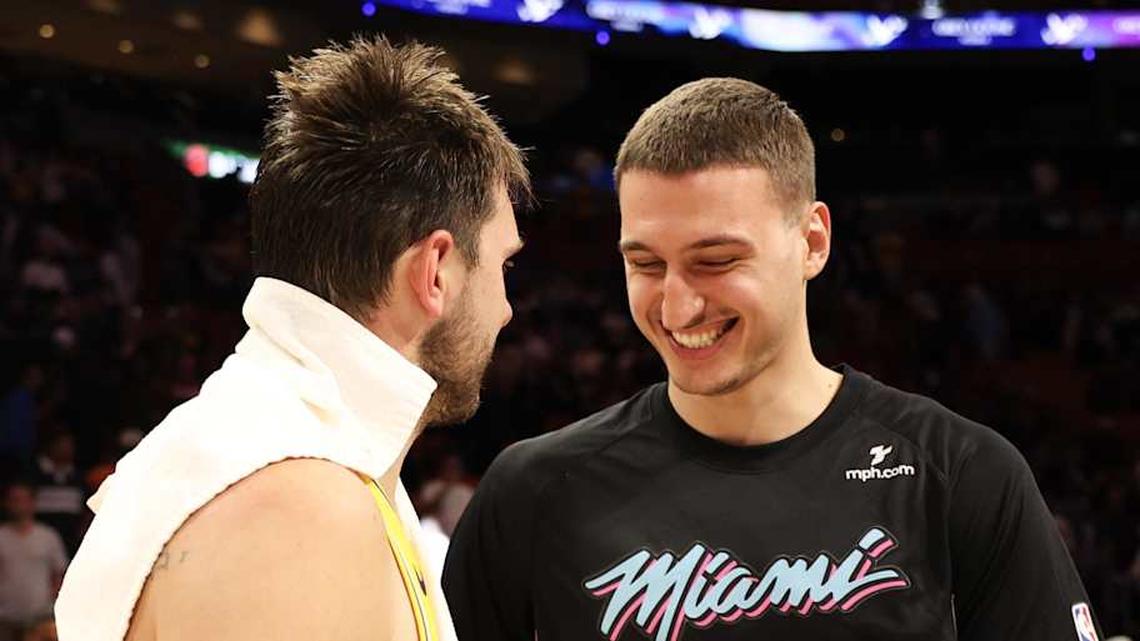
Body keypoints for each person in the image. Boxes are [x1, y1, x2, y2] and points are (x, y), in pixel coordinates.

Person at [442, 78, 1103, 641]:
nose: (676, 306)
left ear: (812, 240)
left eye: (717, 261)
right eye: (645, 264)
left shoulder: (959, 474)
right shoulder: (531, 493)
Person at [55, 36, 528, 641]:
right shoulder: (300, 506)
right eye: (502, 267)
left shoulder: (289, 453)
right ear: (435, 270)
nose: (508, 309)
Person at [0, 482, 68, 641]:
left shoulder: (47, 536)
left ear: (33, 502)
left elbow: (59, 573)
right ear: (7, 503)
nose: (19, 505)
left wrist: (54, 604)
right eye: (14, 500)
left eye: (24, 499)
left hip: (40, 618)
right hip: (5, 619)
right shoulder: (1, 537)